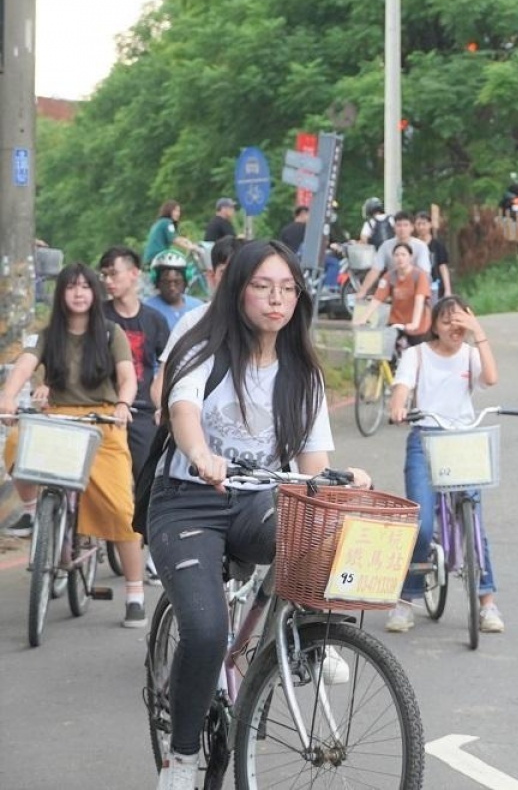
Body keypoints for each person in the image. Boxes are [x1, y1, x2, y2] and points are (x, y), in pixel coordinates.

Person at [148, 239, 370, 790]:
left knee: (314, 536)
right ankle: (179, 760)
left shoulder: (304, 373)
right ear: (238, 288)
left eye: (288, 288)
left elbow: (313, 465)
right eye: (263, 286)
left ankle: (300, 644)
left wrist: (341, 481)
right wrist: (200, 455)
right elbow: (183, 409)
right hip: (186, 500)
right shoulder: (204, 349)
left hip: (256, 499)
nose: (277, 299)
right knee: (204, 631)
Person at [0, 264, 149, 628]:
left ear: (95, 293)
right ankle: (36, 511)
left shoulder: (111, 332)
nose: (79, 293)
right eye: (71, 287)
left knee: (119, 506)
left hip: (101, 421)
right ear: (61, 293)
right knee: (18, 442)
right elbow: (23, 366)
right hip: (58, 417)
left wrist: (122, 406)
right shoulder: (47, 334)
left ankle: (134, 591)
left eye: (85, 287)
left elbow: (128, 378)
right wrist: (7, 398)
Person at [386, 295, 501, 634]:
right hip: (426, 438)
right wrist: (398, 406)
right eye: (448, 320)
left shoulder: (471, 354)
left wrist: (478, 331)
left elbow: (491, 379)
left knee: (474, 522)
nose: (456, 326)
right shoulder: (416, 355)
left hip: (464, 442)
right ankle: (406, 601)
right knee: (421, 524)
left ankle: (488, 604)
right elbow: (402, 387)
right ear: (434, 324)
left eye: (463, 319)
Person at [99, 246, 172, 583]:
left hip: (140, 410)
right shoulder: (98, 316)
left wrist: (163, 406)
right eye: (104, 275)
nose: (108, 280)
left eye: (113, 273)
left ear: (134, 274)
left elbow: (168, 367)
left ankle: (155, 551)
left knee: (150, 479)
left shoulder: (154, 320)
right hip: (99, 410)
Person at [149, 237, 245, 419]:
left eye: (240, 273)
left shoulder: (267, 323)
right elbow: (161, 381)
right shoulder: (193, 321)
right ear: (211, 276)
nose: (233, 281)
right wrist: (167, 410)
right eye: (225, 272)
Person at [357, 242, 432, 342]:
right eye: (397, 255)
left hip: (417, 324)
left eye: (403, 255)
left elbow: (419, 300)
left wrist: (415, 323)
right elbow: (378, 298)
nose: (400, 258)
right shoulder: (389, 276)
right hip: (396, 322)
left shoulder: (419, 276)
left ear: (410, 257)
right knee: (387, 350)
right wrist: (364, 317)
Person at [355, 211, 432, 303]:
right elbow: (375, 270)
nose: (402, 229)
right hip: (394, 286)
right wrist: (363, 291)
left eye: (405, 225)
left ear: (412, 227)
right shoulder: (386, 246)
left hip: (416, 287)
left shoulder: (421, 246)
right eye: (399, 225)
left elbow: (424, 273)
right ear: (394, 228)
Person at [144, 250, 205, 331]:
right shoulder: (147, 310)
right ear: (157, 283)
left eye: (177, 282)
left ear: (185, 281)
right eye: (166, 282)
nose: (172, 287)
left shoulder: (198, 307)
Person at [144, 200, 197, 264]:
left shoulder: (160, 222)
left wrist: (185, 240)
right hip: (158, 257)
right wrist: (190, 247)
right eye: (175, 211)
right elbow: (174, 240)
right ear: (169, 211)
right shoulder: (167, 222)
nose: (178, 214)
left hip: (150, 257)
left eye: (179, 211)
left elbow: (174, 237)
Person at [414, 210, 452, 300]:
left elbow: (443, 267)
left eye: (424, 224)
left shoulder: (438, 245)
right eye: (418, 224)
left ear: (430, 224)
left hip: (435, 285)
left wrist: (448, 289)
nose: (421, 227)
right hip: (417, 285)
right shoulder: (413, 245)